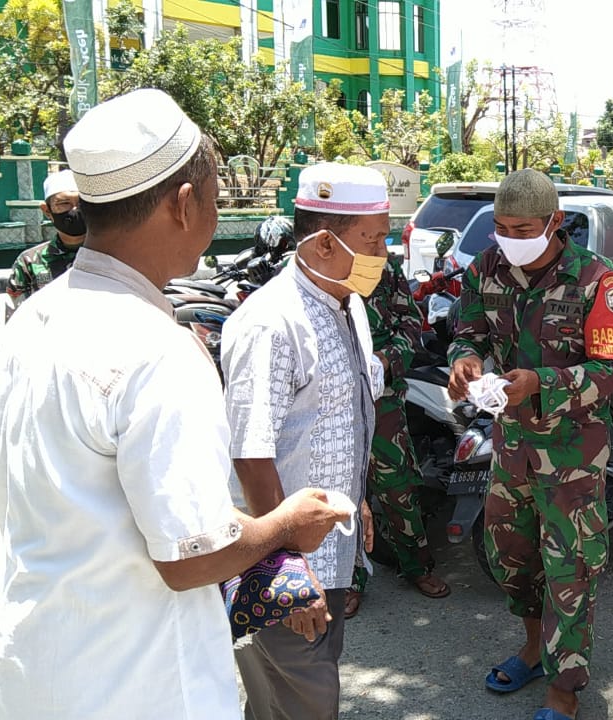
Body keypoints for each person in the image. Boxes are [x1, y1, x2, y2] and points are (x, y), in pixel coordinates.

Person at [0, 88, 349, 720]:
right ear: (185, 204)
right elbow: (192, 558)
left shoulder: (36, 316)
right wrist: (285, 525)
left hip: (34, 669)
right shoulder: (157, 347)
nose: (215, 215)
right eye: (215, 198)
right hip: (137, 685)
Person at [447, 168, 613, 720]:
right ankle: (532, 647)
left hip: (571, 454)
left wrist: (541, 384)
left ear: (554, 222)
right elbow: (469, 329)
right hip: (511, 446)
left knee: (570, 568)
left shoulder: (599, 281)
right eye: (500, 227)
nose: (508, 237)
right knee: (513, 558)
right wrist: (465, 358)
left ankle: (564, 689)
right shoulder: (487, 268)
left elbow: (609, 370)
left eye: (521, 228)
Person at [221, 162, 390, 720]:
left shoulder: (350, 304)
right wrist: (282, 569)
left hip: (330, 548)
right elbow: (251, 454)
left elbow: (340, 418)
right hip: (283, 557)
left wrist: (356, 498)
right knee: (306, 699)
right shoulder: (271, 322)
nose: (383, 253)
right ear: (323, 244)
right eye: (374, 239)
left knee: (295, 693)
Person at [353, 252, 451, 616]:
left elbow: (411, 323)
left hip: (383, 396)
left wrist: (385, 360)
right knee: (340, 490)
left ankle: (417, 567)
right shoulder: (309, 266)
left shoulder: (383, 264)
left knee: (398, 485)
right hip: (331, 399)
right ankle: (348, 581)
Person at [4, 169, 86, 320]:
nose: (74, 210)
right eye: (64, 203)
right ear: (47, 211)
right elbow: (16, 322)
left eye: (81, 203)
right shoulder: (28, 262)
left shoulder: (111, 253)